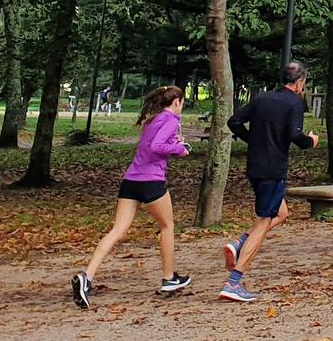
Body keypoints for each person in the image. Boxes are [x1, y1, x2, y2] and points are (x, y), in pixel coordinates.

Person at [72, 85, 193, 306]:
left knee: (117, 229)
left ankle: (86, 277)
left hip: (131, 181)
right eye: (182, 103)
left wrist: (174, 144)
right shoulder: (171, 120)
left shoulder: (151, 121)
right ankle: (168, 278)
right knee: (167, 227)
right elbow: (158, 146)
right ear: (177, 102)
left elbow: (151, 146)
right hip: (151, 181)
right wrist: (180, 149)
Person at [219, 61, 318, 303]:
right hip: (273, 169)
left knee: (281, 212)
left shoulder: (262, 98)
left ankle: (239, 242)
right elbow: (295, 135)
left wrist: (252, 139)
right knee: (264, 222)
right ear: (300, 82)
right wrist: (311, 141)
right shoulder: (295, 102)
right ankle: (233, 282)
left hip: (255, 166)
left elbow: (234, 121)